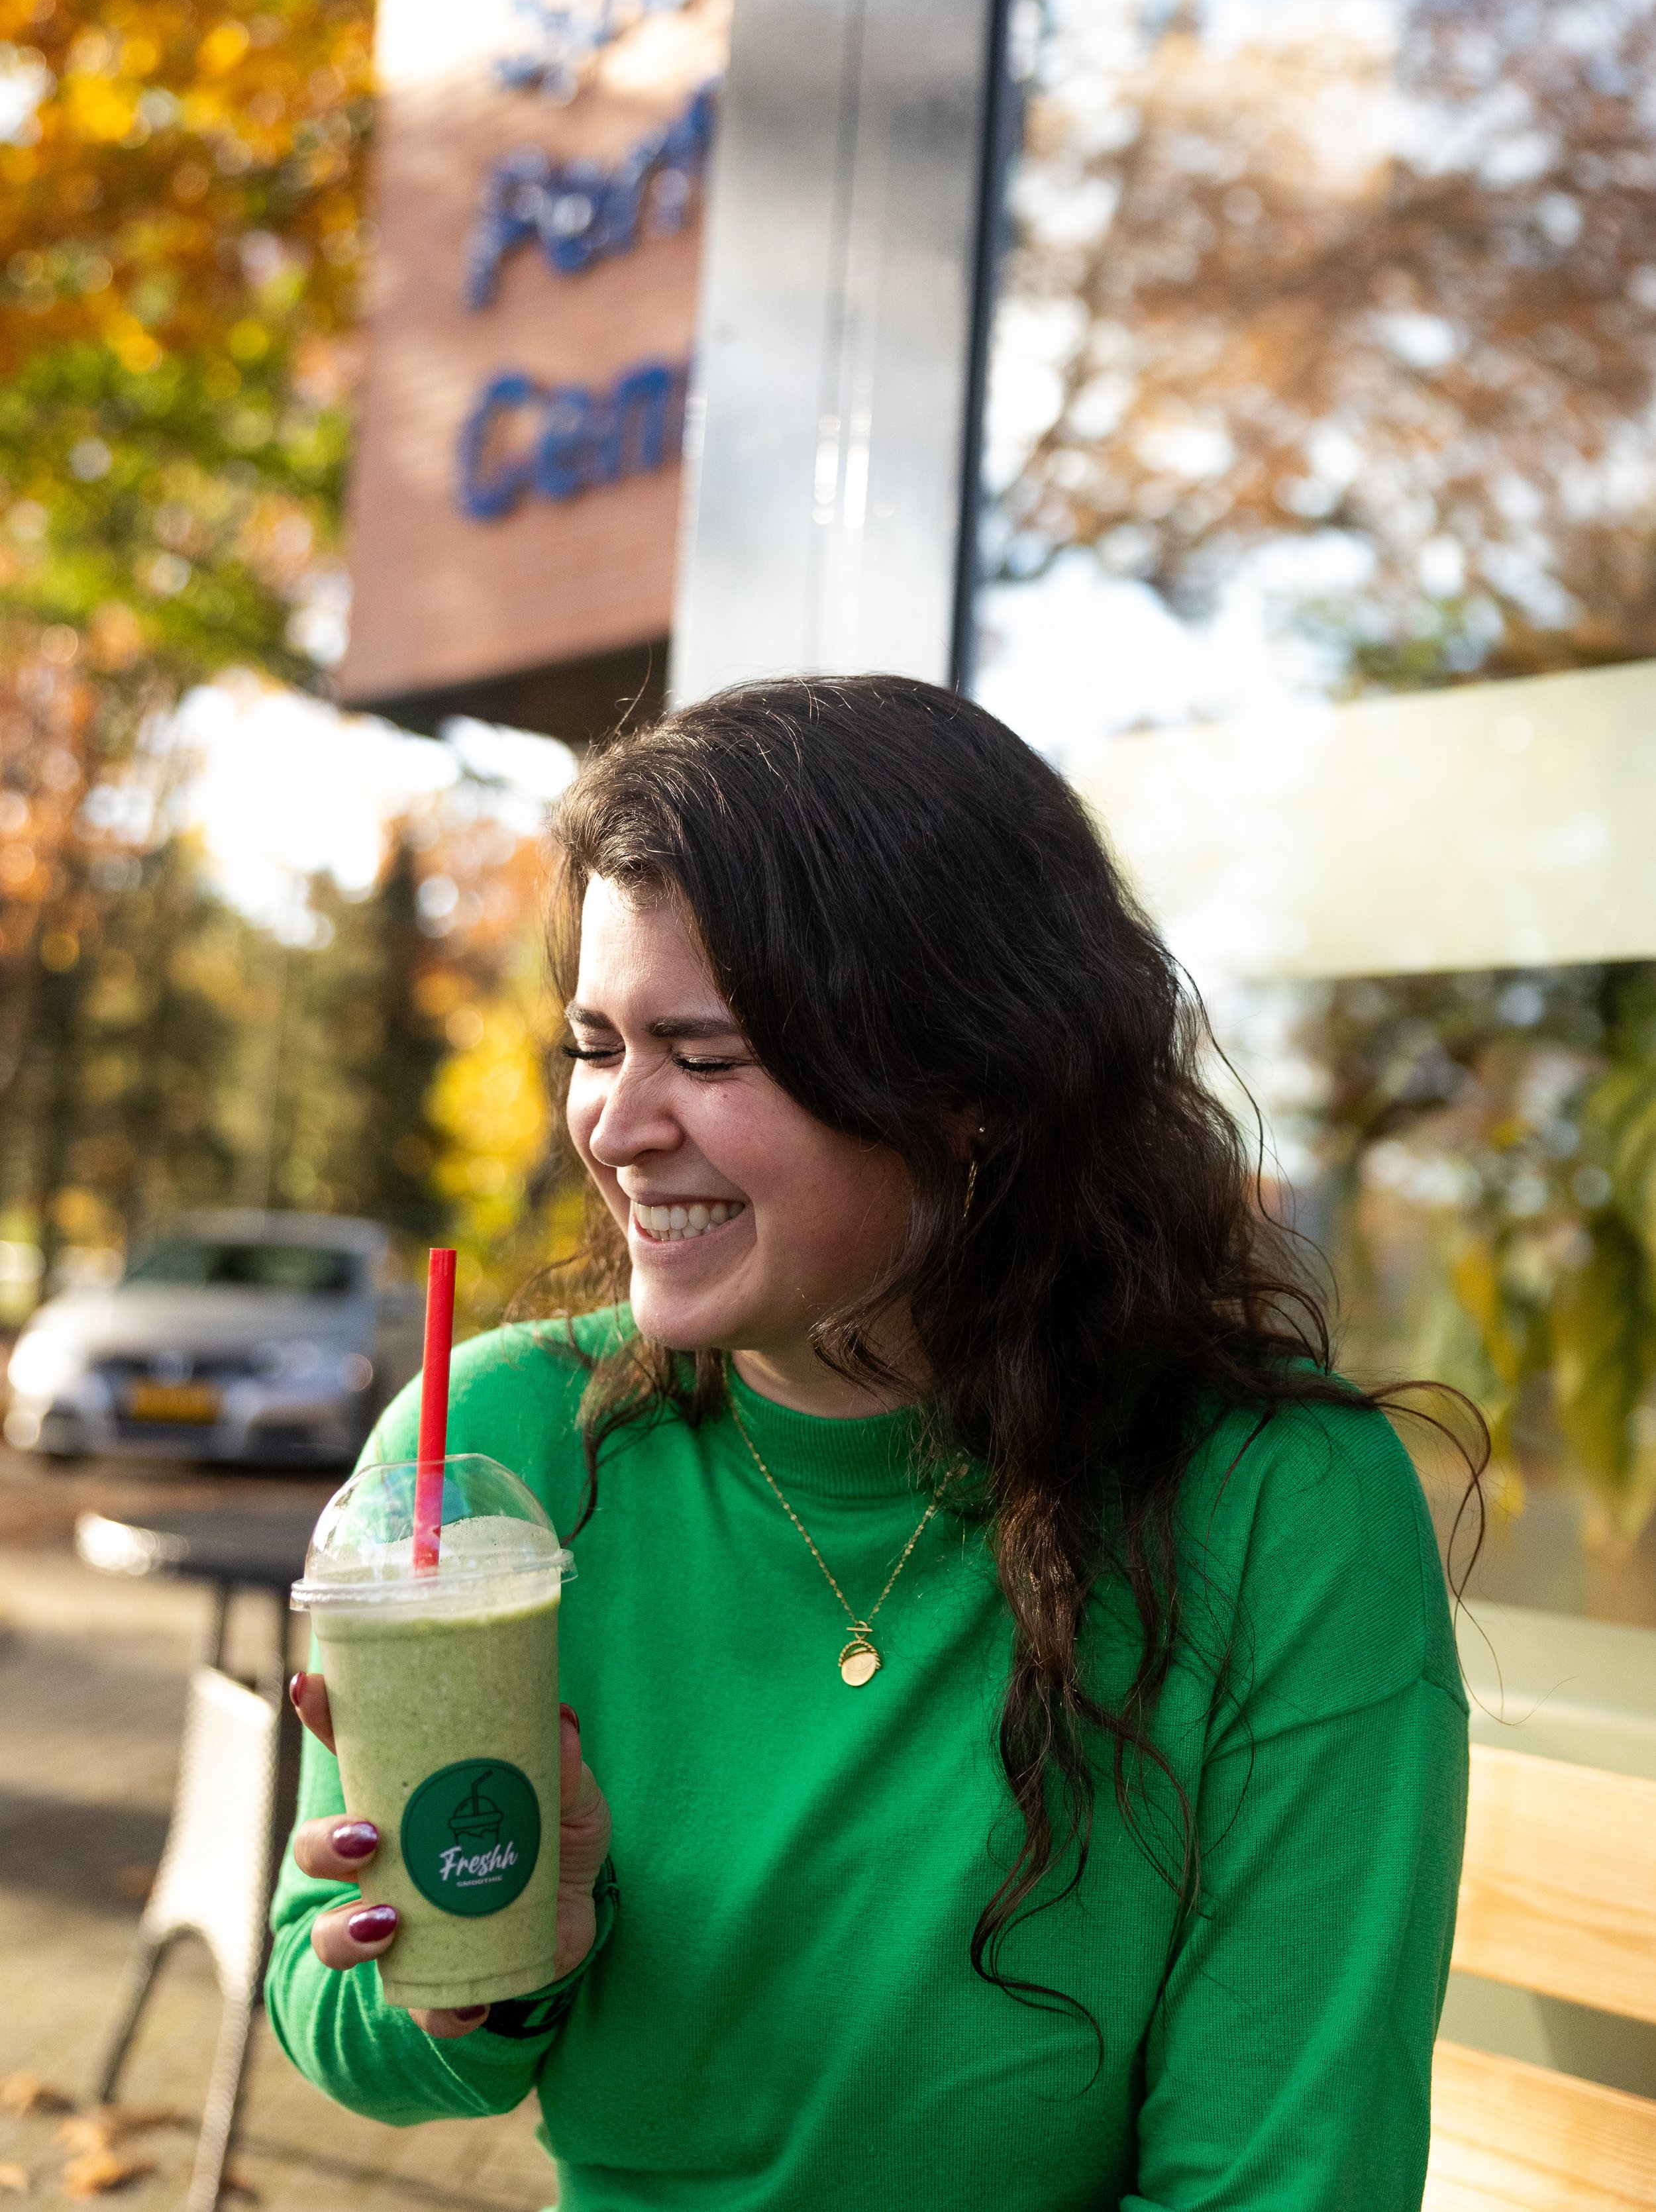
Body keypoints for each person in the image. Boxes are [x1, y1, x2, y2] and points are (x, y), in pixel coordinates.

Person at [267, 674, 1473, 2212]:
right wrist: (481, 1962)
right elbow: (332, 2004)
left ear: (967, 1085)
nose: (616, 1126)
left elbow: (1283, 2174)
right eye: (595, 1044)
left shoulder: (1270, 1510)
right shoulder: (498, 1450)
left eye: (703, 1057)